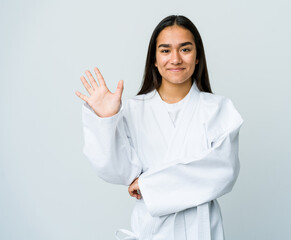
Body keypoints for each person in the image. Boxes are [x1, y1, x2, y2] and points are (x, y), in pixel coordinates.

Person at [75, 15, 244, 240]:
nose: (175, 59)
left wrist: (149, 186)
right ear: (154, 59)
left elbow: (223, 171)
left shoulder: (218, 109)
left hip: (201, 232)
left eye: (185, 49)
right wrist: (107, 120)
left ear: (197, 58)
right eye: (165, 51)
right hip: (150, 231)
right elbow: (117, 170)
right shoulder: (134, 110)